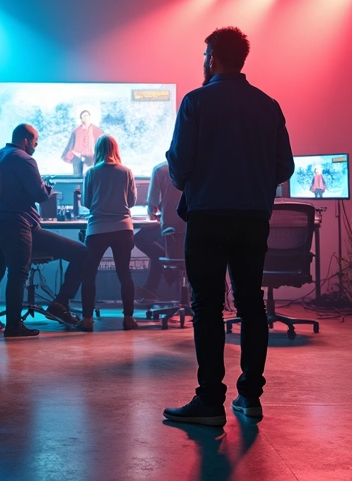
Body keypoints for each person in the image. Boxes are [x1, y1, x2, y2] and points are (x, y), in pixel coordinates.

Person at [163, 26, 294, 426]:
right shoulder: (268, 105)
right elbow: (285, 167)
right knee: (250, 302)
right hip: (253, 218)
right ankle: (250, 397)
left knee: (206, 305)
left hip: (207, 216)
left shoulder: (195, 102)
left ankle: (210, 401)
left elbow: (180, 167)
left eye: (205, 55)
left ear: (213, 58)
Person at [0, 124, 88, 333]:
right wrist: (48, 187)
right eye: (35, 141)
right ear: (25, 140)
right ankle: (38, 314)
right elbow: (40, 195)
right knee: (80, 253)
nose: (36, 145)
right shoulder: (24, 159)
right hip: (20, 225)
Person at [79, 135, 139, 329]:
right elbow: (131, 202)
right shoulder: (126, 172)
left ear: (97, 150)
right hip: (123, 228)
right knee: (124, 273)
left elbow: (87, 202)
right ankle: (128, 318)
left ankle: (87, 319)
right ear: (116, 149)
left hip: (97, 229)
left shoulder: (92, 172)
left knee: (89, 274)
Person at [133, 161, 184, 302]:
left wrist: (153, 213)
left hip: (169, 228)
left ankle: (153, 285)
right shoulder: (199, 165)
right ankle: (153, 284)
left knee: (139, 238)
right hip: (192, 229)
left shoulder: (160, 169)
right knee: (171, 249)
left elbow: (152, 204)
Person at [61, 109, 104, 176]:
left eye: (87, 115)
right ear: (81, 119)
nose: (86, 117)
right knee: (77, 176)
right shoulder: (76, 131)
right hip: (78, 157)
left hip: (93, 157)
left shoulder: (97, 131)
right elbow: (71, 145)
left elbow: (101, 144)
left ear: (90, 117)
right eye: (84, 116)